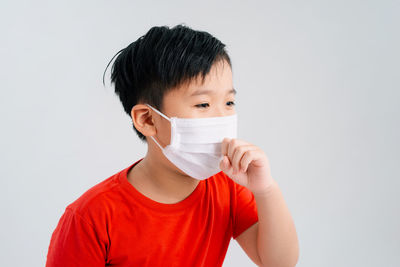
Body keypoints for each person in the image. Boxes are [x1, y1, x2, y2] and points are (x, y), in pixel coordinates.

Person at [45, 24, 299, 267]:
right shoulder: (90, 217)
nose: (222, 117)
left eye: (229, 103)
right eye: (203, 104)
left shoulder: (228, 187)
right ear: (147, 119)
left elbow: (278, 262)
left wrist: (265, 189)